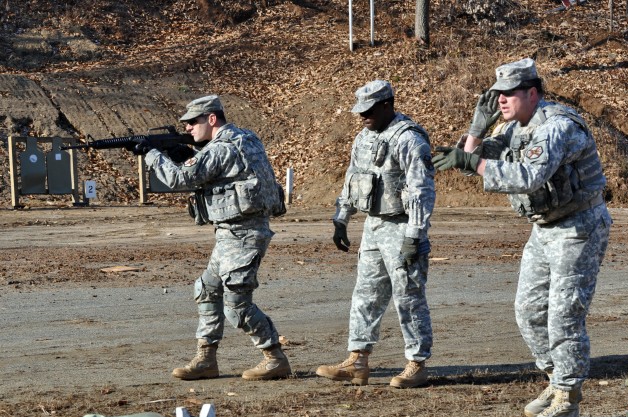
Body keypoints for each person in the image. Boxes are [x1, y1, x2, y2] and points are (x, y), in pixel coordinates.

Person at [432, 58, 611, 417]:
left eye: (509, 93)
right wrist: (476, 131)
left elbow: (527, 175)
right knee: (528, 311)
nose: (500, 101)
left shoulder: (557, 127)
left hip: (578, 227)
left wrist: (471, 161)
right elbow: (475, 156)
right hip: (545, 228)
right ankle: (555, 379)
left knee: (564, 316)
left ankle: (568, 398)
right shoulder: (517, 127)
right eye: (497, 94)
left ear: (532, 93)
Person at [139, 95, 291, 381]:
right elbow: (217, 173)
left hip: (244, 233)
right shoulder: (245, 137)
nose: (188, 129)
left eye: (193, 122)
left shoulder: (221, 147)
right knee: (207, 288)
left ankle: (274, 357)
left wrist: (151, 154)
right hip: (231, 232)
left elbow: (179, 180)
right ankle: (206, 359)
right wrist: (184, 155)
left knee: (237, 303)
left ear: (211, 119)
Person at [315, 80, 436, 389]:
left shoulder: (409, 139)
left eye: (369, 110)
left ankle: (417, 363)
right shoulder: (364, 137)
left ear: (387, 105)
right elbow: (353, 177)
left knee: (408, 296)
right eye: (360, 111)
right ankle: (357, 360)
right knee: (366, 294)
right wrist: (341, 218)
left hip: (403, 226)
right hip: (374, 225)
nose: (363, 117)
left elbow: (422, 190)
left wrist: (415, 234)